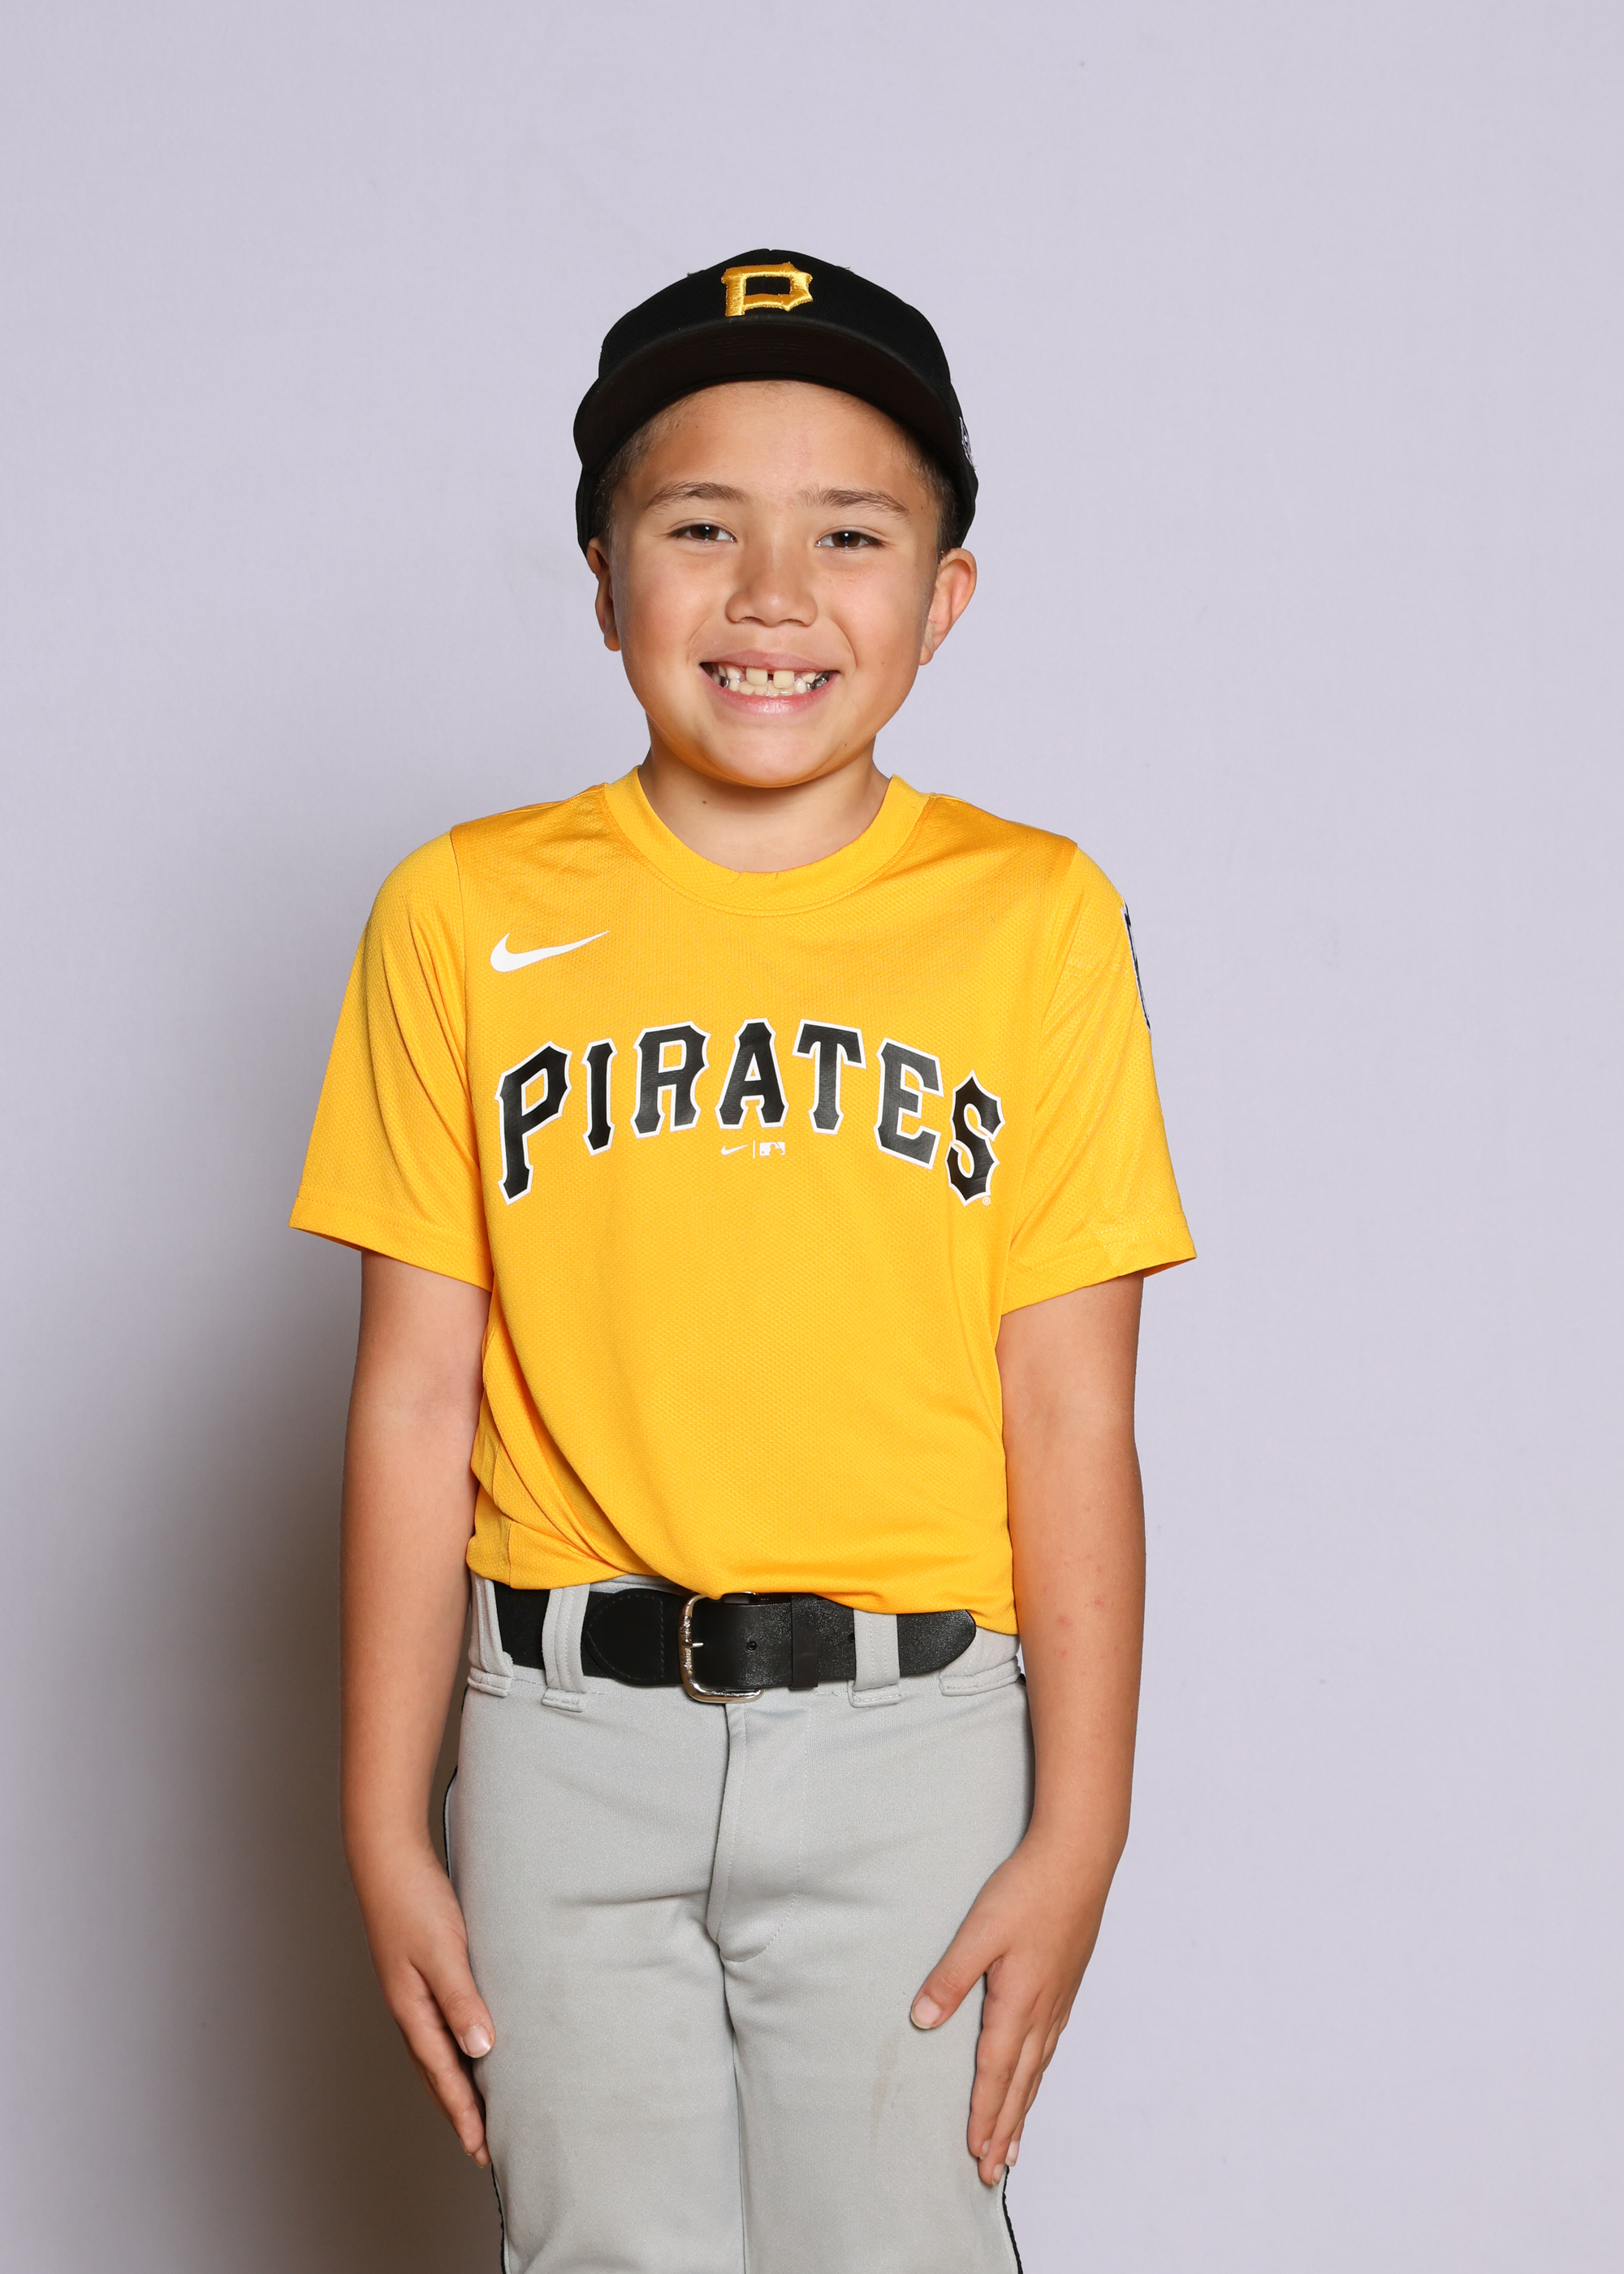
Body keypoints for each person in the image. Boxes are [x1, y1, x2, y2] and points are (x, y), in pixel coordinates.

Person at [292, 248, 1194, 2274]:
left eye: (850, 533)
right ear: (603, 577)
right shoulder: (461, 912)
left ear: (944, 594)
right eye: (701, 525)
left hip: (912, 1733)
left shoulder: (1033, 920)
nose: (773, 591)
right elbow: (412, 1395)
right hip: (561, 1734)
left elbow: (1072, 1406)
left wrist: (1084, 1821)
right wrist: (381, 1812)